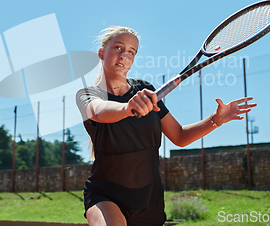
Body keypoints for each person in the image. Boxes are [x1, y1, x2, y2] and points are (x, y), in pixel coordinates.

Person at [76, 26, 256, 226]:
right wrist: (128, 108)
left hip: (150, 200)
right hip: (105, 196)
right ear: (102, 53)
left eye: (131, 52)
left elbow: (179, 136)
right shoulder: (87, 95)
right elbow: (99, 110)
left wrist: (215, 119)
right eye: (118, 47)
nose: (124, 55)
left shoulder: (146, 90)